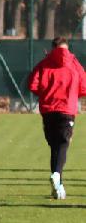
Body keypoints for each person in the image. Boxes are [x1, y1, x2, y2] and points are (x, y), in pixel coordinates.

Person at [27, 36, 86, 199]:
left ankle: (58, 187)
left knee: (55, 146)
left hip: (48, 110)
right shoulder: (74, 63)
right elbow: (84, 86)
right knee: (63, 144)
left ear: (53, 48)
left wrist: (46, 94)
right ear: (67, 48)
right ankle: (57, 175)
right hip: (66, 109)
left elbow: (32, 84)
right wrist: (72, 94)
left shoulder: (44, 64)